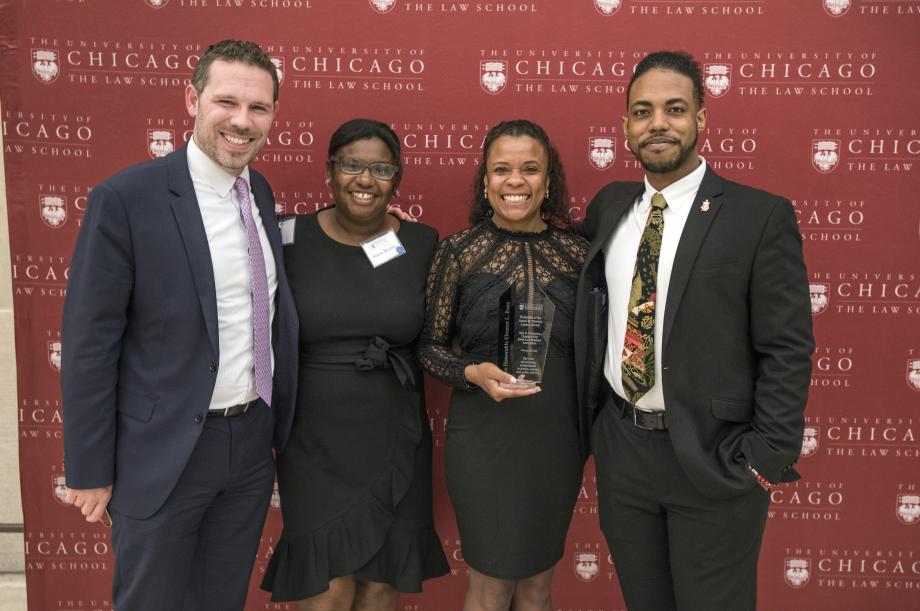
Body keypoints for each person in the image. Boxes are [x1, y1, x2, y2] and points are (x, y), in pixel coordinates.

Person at [60, 39, 297, 610]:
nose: (242, 121)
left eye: (259, 108)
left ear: (273, 116)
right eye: (227, 102)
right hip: (163, 450)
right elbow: (90, 344)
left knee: (221, 602)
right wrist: (89, 470)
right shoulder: (126, 199)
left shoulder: (258, 192)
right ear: (190, 99)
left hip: (247, 448)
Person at [574, 50, 814, 611]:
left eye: (675, 108)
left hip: (716, 458)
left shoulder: (759, 217)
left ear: (702, 118)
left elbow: (787, 346)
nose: (658, 123)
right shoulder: (610, 207)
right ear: (626, 127)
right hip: (624, 451)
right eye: (643, 111)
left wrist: (764, 458)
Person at [260, 119, 449, 609]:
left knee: (381, 584)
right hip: (314, 442)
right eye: (352, 165)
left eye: (380, 168)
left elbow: (445, 332)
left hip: (396, 434)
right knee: (328, 585)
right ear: (330, 170)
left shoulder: (424, 243)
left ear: (397, 178)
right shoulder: (286, 237)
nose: (365, 179)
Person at [419, 120, 587, 611]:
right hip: (485, 438)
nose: (516, 180)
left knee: (537, 586)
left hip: (556, 438)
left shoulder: (579, 253)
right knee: (491, 586)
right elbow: (429, 347)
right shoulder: (458, 252)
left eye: (530, 169)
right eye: (502, 169)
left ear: (548, 180)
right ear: (486, 181)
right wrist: (470, 374)